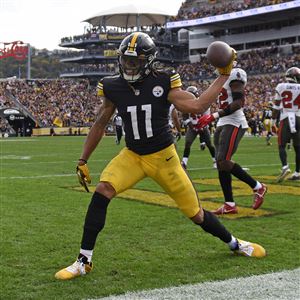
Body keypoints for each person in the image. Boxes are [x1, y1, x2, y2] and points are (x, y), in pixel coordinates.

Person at [55, 33, 266, 281]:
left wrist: (223, 75)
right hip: (132, 156)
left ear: (148, 61)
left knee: (195, 213)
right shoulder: (112, 85)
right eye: (126, 61)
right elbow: (101, 122)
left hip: (164, 158)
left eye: (135, 62)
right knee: (103, 190)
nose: (129, 66)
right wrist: (83, 159)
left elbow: (197, 107)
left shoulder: (164, 81)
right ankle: (83, 260)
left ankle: (234, 243)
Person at [197, 68, 267, 215]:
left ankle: (258, 187)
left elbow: (239, 102)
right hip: (223, 122)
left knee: (223, 160)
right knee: (221, 164)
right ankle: (229, 204)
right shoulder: (222, 77)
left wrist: (213, 116)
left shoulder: (235, 73)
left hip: (234, 122)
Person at [271, 67, 300, 182]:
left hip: (286, 117)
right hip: (299, 117)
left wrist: (273, 121)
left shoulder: (281, 86)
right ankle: (298, 172)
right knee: (298, 148)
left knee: (281, 145)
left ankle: (285, 167)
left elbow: (277, 106)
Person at [181, 86, 216, 169]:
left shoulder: (203, 102)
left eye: (191, 94)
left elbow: (207, 117)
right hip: (192, 126)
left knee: (209, 144)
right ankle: (184, 162)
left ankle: (215, 161)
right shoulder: (186, 104)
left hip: (203, 126)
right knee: (188, 143)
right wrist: (191, 126)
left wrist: (202, 126)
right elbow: (185, 117)